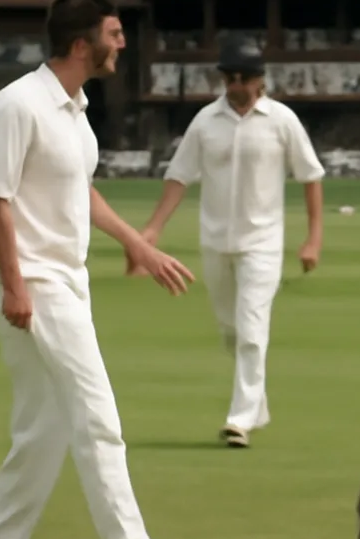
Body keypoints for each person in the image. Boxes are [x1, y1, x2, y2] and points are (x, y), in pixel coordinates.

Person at [0, 0, 198, 539]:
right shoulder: (16, 107)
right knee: (97, 414)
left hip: (63, 280)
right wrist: (16, 286)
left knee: (44, 424)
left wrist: (137, 243)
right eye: (113, 33)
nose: (121, 41)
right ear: (82, 43)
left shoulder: (72, 112)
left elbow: (79, 191)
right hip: (34, 282)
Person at [133, 36, 325, 449]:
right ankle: (257, 404)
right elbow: (179, 176)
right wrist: (153, 229)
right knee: (232, 331)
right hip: (216, 241)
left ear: (260, 80)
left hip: (263, 242)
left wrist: (313, 238)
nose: (235, 85)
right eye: (229, 77)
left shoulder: (282, 120)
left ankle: (239, 420)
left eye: (243, 78)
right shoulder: (205, 122)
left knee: (253, 330)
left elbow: (311, 177)